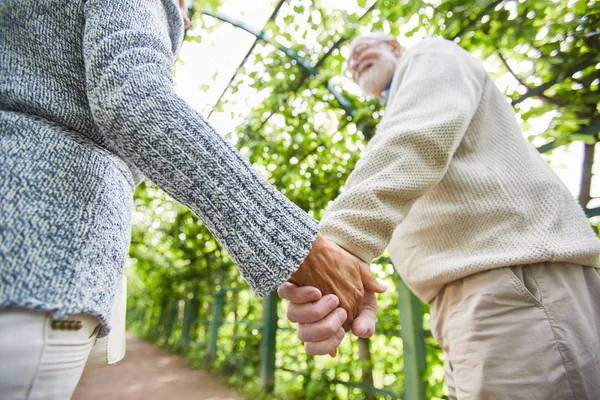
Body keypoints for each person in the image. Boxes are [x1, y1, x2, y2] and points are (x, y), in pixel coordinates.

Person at [0, 1, 386, 398]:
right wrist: (302, 250)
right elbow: (134, 98)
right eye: (189, 8)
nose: (181, 20)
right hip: (33, 250)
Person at [278, 32, 600, 398]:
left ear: (395, 47)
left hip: (515, 287)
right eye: (349, 63)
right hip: (475, 299)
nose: (354, 61)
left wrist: (336, 247)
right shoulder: (400, 105)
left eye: (361, 49)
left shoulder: (430, 54)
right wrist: (341, 285)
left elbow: (417, 136)